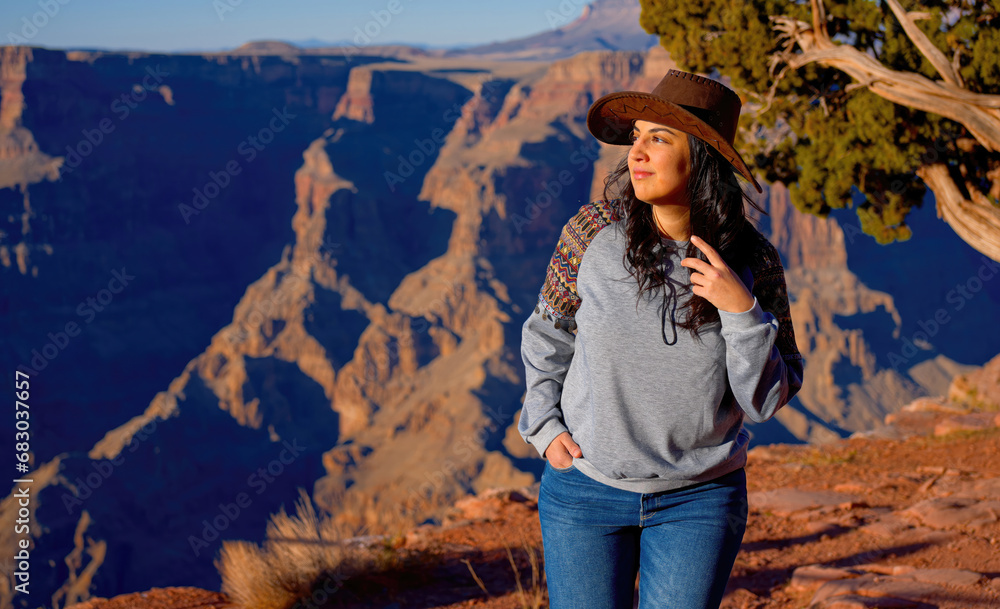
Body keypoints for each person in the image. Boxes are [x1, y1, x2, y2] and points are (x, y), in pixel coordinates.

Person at [517, 69, 805, 609]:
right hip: (585, 492)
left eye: (659, 138)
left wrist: (742, 309)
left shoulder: (752, 260)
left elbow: (766, 401)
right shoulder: (592, 231)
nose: (636, 153)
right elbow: (547, 331)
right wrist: (543, 425)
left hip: (699, 501)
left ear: (701, 159)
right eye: (636, 136)